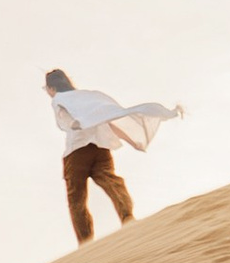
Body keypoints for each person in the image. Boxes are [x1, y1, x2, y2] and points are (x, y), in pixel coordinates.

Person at [47, 67, 184, 242]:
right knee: (112, 181)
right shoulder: (88, 99)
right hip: (100, 149)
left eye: (47, 89)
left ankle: (86, 242)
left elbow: (66, 120)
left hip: (76, 152)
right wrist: (132, 141)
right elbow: (109, 121)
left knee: (76, 200)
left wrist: (75, 124)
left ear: (52, 88)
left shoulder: (59, 99)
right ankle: (127, 217)